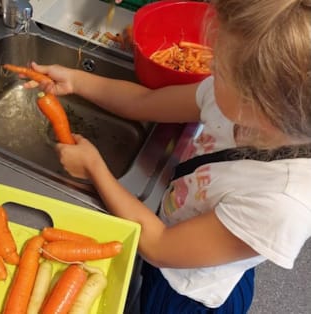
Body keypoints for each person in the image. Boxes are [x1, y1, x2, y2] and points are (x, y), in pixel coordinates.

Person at [23, 0, 311, 313]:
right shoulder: (233, 104)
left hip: (190, 295)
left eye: (222, 68)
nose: (211, 66)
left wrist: (94, 168)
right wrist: (76, 81)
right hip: (175, 238)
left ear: (262, 105)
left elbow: (159, 246)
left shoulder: (281, 204)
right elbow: (144, 102)